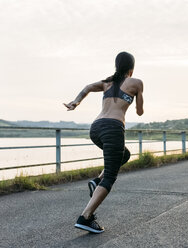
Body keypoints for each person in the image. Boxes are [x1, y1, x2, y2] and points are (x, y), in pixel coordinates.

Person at [63, 51, 144, 234]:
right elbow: (139, 111)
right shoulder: (136, 83)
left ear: (117, 66)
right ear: (131, 68)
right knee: (110, 178)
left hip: (96, 128)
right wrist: (138, 97)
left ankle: (96, 181)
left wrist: (75, 102)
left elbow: (87, 87)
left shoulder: (107, 82)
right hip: (113, 128)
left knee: (124, 154)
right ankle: (85, 217)